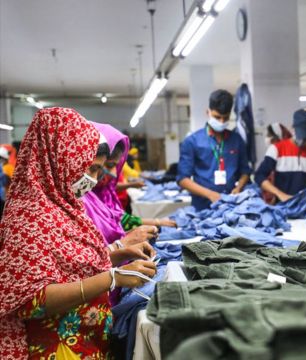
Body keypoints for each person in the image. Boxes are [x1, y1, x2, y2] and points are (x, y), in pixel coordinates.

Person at [0, 108, 157, 358]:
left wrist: (119, 255)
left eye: (97, 170)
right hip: (56, 349)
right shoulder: (27, 218)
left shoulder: (64, 205)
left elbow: (69, 264)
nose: (93, 179)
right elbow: (31, 301)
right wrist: (112, 278)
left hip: (84, 342)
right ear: (60, 159)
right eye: (90, 169)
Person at [86, 122, 176, 244]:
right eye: (109, 165)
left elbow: (119, 219)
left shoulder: (103, 194)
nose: (114, 174)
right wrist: (123, 245)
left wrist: (155, 223)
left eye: (115, 166)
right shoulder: (85, 200)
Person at [177, 90, 252, 211]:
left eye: (225, 118)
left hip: (231, 204)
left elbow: (245, 172)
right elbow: (183, 179)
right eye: (217, 117)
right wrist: (210, 194)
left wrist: (239, 188)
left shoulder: (237, 140)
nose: (221, 122)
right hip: (202, 206)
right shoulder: (192, 141)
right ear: (208, 112)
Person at [254, 110, 306, 202]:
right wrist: (280, 194)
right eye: (302, 137)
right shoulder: (277, 149)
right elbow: (259, 176)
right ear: (293, 129)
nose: (304, 141)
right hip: (283, 204)